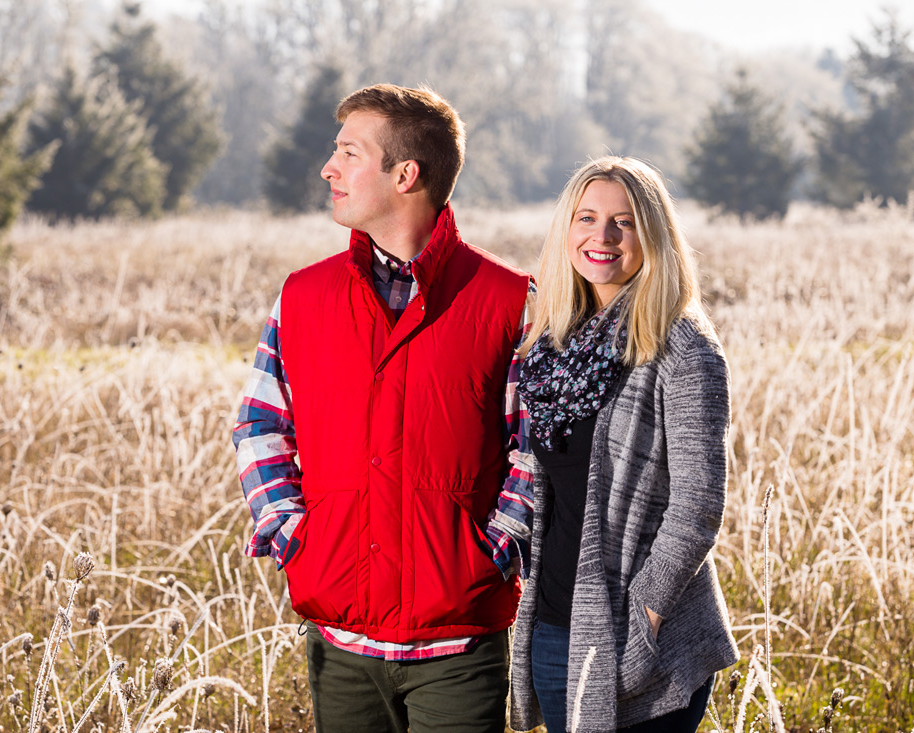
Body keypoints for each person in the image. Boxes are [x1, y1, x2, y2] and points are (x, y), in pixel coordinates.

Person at [233, 84, 534, 733]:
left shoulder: (508, 302)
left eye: (348, 152)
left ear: (405, 174)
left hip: (458, 648)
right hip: (340, 645)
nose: (328, 168)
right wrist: (294, 537)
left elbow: (536, 448)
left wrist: (494, 551)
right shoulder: (302, 297)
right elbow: (258, 421)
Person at [508, 156, 740, 733]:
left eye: (624, 222)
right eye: (586, 217)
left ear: (652, 234)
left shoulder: (682, 346)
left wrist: (646, 619)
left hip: (640, 640)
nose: (601, 236)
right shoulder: (556, 343)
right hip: (554, 624)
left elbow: (698, 506)